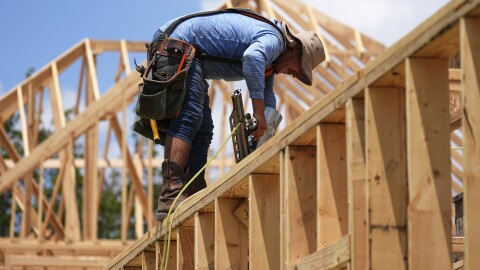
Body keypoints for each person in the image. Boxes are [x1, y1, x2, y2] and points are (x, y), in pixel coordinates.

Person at [152, 9, 325, 221]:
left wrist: (266, 131)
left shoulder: (272, 62)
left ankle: (192, 188)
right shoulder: (274, 40)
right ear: (296, 48)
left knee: (205, 129)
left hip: (187, 51)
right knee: (189, 117)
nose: (295, 74)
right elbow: (252, 58)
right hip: (179, 46)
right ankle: (171, 192)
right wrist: (258, 113)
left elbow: (268, 95)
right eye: (299, 69)